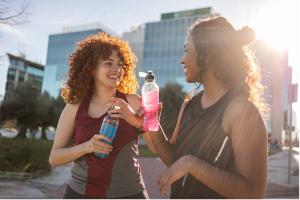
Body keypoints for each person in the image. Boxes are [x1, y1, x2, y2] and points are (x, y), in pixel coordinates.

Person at [149, 16, 268, 198]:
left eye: (187, 50)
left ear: (208, 54)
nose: (182, 60)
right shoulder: (189, 104)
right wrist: (151, 124)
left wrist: (191, 164)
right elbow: (174, 160)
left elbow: (252, 193)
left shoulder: (241, 110)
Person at [48, 32, 155, 199]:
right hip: (80, 194)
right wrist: (87, 147)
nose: (117, 69)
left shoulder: (134, 102)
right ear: (91, 69)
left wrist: (135, 120)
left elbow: (156, 147)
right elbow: (54, 158)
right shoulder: (75, 107)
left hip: (130, 194)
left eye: (120, 64)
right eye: (108, 63)